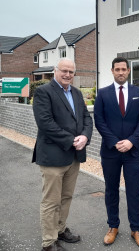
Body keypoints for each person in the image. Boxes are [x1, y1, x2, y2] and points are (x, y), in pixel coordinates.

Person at [32, 58, 93, 251]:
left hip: (73, 156)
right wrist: (71, 140)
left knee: (66, 197)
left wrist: (84, 136)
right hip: (53, 156)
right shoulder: (43, 92)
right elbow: (45, 123)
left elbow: (86, 118)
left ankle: (60, 229)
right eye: (64, 71)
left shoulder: (75, 92)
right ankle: (49, 242)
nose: (67, 75)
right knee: (51, 201)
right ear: (55, 70)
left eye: (71, 72)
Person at [94, 57, 139, 249]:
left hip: (133, 152)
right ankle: (113, 226)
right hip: (111, 151)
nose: (120, 72)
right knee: (111, 190)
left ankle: (137, 229)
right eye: (117, 69)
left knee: (134, 191)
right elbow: (99, 121)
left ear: (128, 71)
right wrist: (115, 142)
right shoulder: (102, 94)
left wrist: (131, 141)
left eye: (124, 69)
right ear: (112, 71)